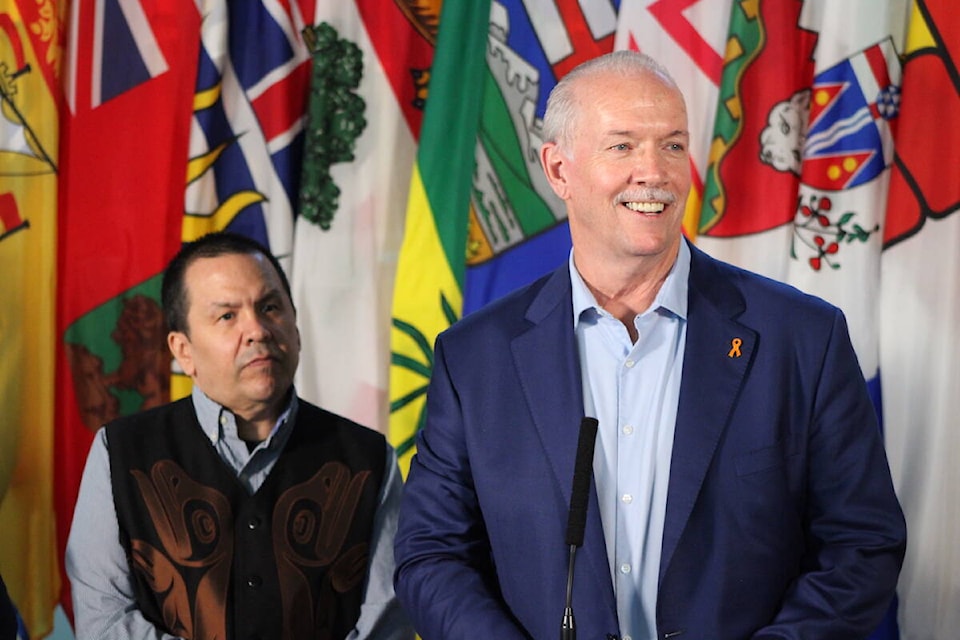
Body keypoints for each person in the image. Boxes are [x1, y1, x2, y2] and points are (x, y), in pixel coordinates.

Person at [393, 51, 906, 640]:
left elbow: (863, 544)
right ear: (559, 171)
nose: (655, 171)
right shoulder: (474, 359)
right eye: (623, 146)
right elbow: (430, 556)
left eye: (672, 145)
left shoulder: (802, 340)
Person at [67, 232, 413, 640]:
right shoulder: (121, 451)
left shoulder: (368, 458)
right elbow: (104, 623)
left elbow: (388, 623)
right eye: (227, 316)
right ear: (183, 351)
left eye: (269, 307)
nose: (257, 330)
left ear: (297, 330)